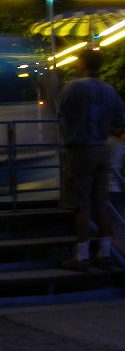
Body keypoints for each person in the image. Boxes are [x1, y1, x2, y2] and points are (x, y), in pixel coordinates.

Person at [57, 48, 125, 271]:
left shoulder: (73, 87)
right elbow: (119, 121)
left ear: (84, 63)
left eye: (78, 61)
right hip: (102, 149)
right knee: (100, 202)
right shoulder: (110, 90)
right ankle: (104, 253)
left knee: (81, 203)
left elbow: (60, 111)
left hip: (80, 150)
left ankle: (81, 255)